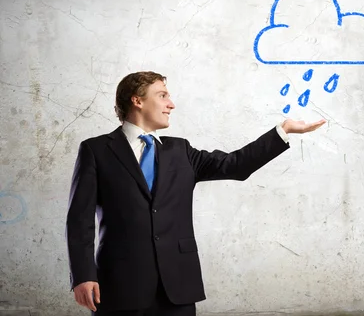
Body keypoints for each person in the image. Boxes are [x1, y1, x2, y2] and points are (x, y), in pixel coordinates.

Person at [65, 71, 325, 315]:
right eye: (163, 95)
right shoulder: (96, 150)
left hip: (177, 285)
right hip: (119, 285)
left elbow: (236, 165)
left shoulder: (180, 151)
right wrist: (83, 275)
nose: (171, 104)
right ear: (137, 101)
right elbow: (79, 220)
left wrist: (283, 131)